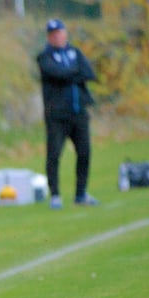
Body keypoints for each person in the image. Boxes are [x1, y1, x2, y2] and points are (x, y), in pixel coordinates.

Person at [37, 18, 98, 209]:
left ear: (65, 33)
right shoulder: (44, 56)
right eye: (53, 34)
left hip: (78, 111)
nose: (57, 36)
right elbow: (56, 74)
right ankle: (55, 194)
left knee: (85, 152)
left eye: (60, 32)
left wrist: (69, 73)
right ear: (49, 37)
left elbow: (88, 73)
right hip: (57, 114)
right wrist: (73, 73)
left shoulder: (75, 52)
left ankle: (81, 193)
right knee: (54, 154)